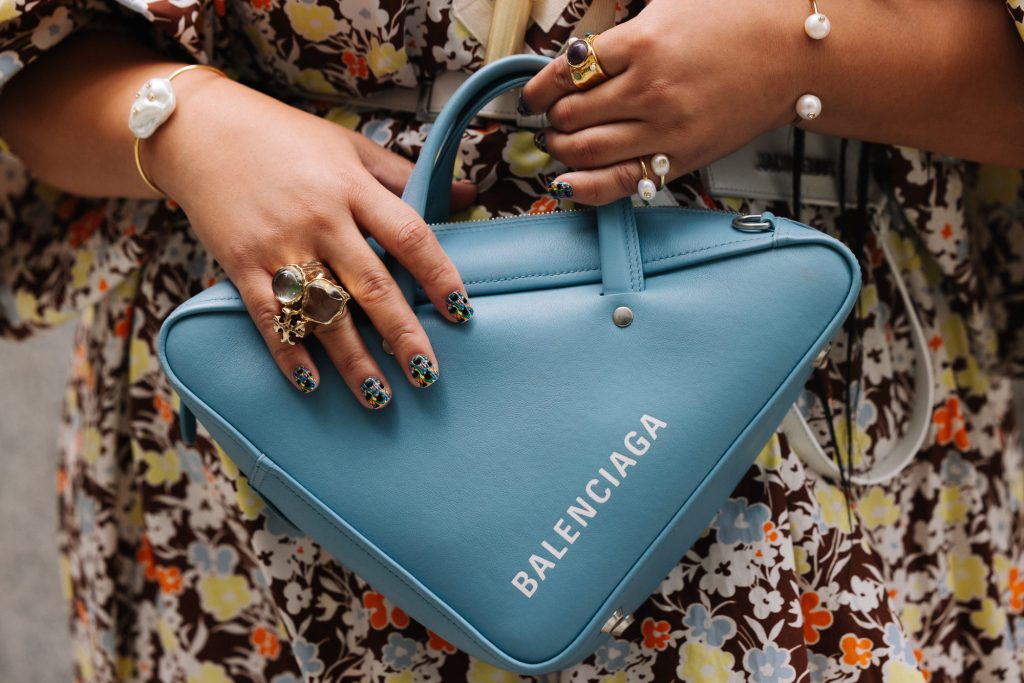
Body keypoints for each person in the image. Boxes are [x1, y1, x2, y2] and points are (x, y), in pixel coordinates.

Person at [0, 0, 1022, 680]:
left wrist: (801, 50)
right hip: (300, 397)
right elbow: (29, 56)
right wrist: (188, 120)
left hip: (782, 400)